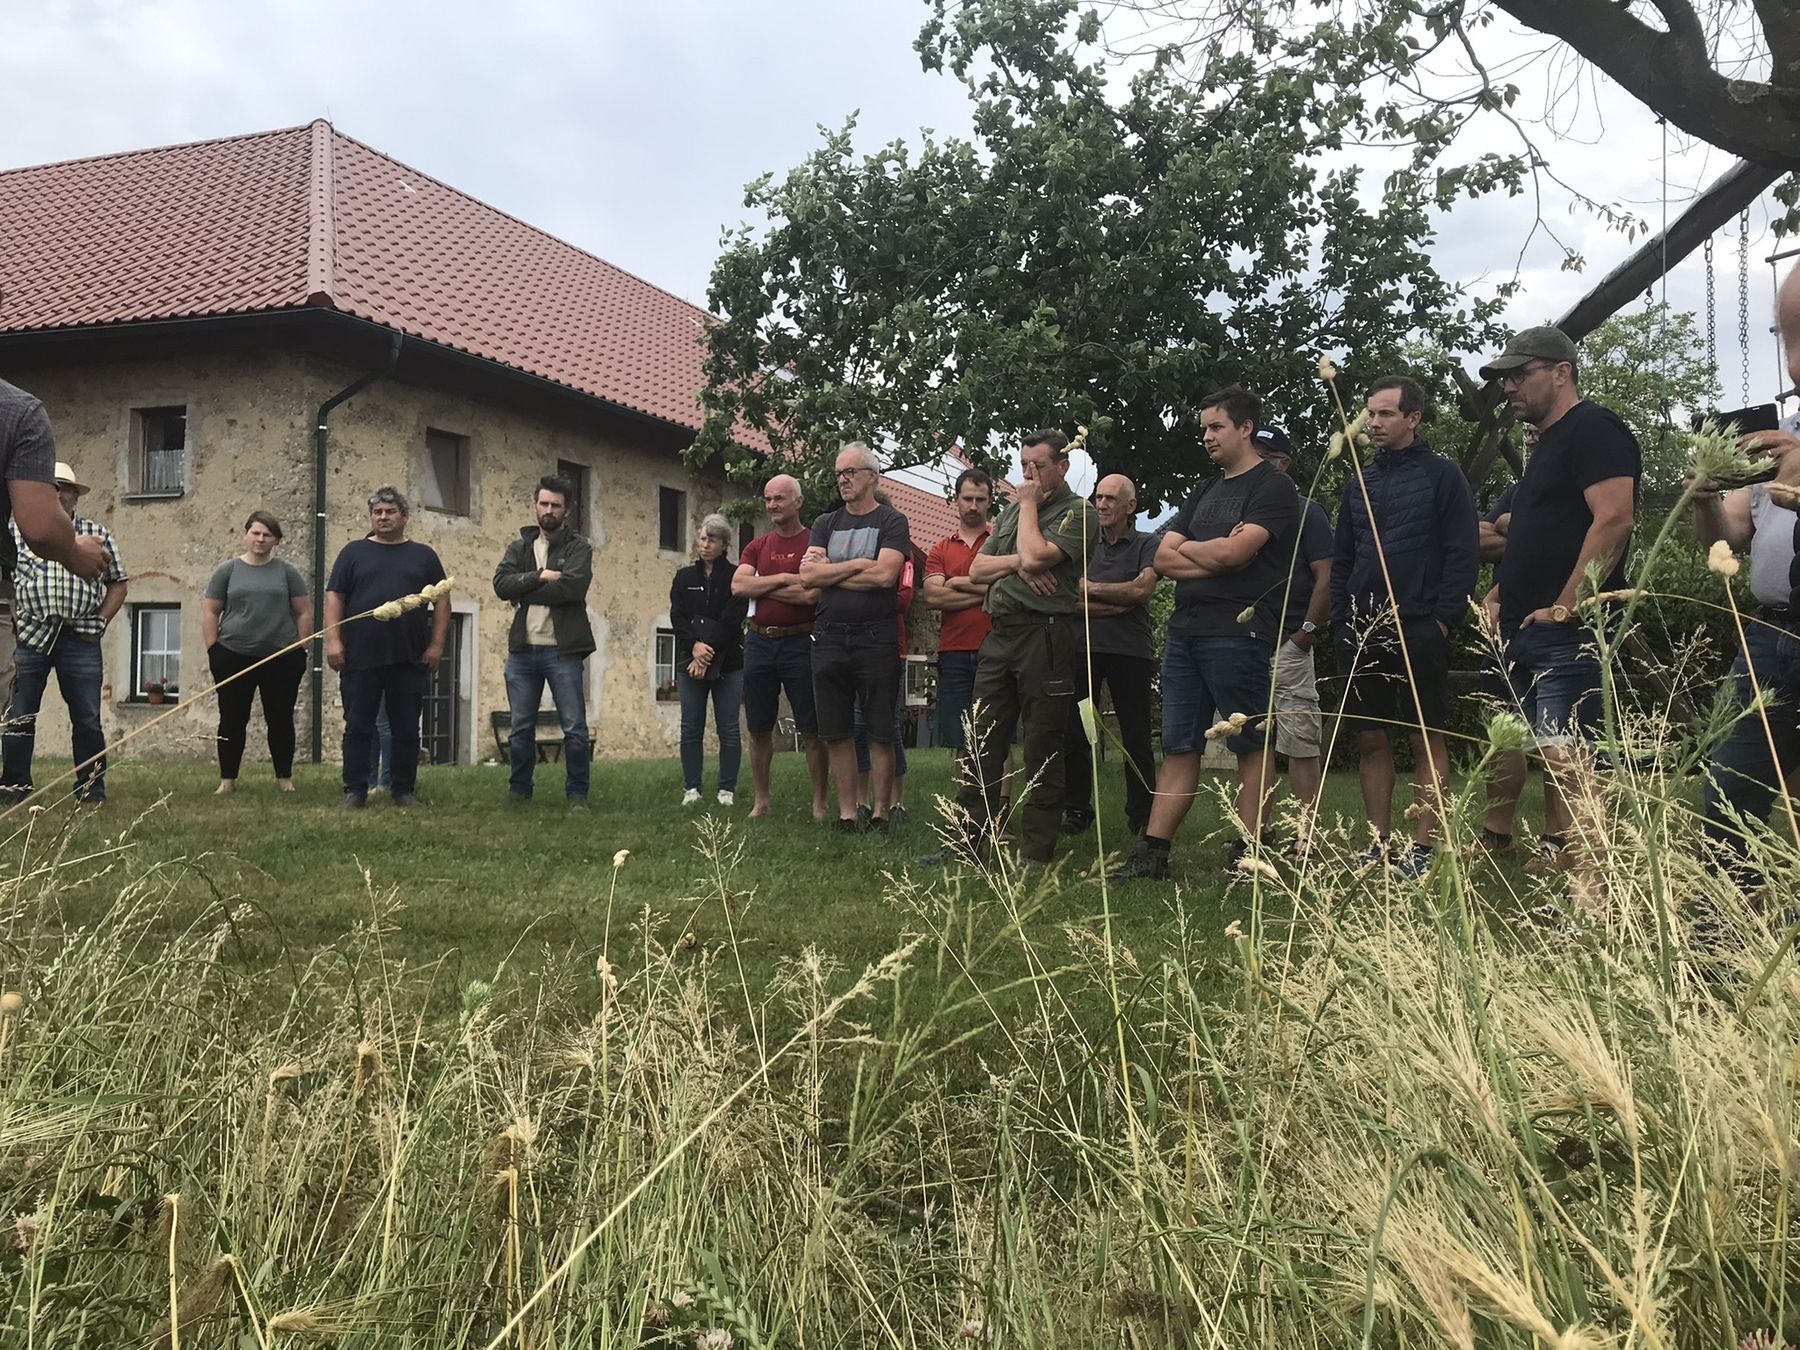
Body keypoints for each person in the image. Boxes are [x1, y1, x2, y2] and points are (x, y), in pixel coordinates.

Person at [1113, 387, 1298, 882]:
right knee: (1177, 746)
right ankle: (1152, 853)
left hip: (1239, 636)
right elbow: (1161, 555)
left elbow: (1235, 557)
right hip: (1185, 633)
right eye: (1204, 429)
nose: (1207, 437)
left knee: (1250, 745)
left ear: (1245, 428)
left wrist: (1205, 552)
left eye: (1216, 427)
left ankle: (1251, 852)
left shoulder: (1272, 488)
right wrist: (1214, 551)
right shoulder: (1204, 490)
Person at [1478, 326, 1640, 872]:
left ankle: (1595, 886)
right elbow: (1534, 533)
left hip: (1567, 627)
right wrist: (1501, 592)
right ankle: (1557, 852)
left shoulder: (1593, 427)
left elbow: (1615, 519)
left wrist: (1569, 605)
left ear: (1561, 372)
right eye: (1505, 378)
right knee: (1522, 745)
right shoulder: (1546, 445)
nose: (1509, 387)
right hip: (1522, 624)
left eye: (1520, 375)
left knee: (1567, 754)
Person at [923, 428, 1098, 868]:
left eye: (1038, 465)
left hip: (1046, 634)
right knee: (980, 739)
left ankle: (1036, 851)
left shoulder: (1078, 513)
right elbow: (980, 568)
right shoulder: (1007, 515)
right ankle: (967, 844)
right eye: (1023, 465)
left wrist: (1026, 512)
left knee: (1042, 741)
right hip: (999, 634)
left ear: (1063, 466)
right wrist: (1021, 564)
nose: (1028, 474)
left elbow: (1041, 555)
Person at [1331, 376, 1479, 876]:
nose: (1374, 423)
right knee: (1371, 738)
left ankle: (1424, 848)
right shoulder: (1358, 480)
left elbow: (1464, 553)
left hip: (1419, 625)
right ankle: (1378, 844)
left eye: (1386, 414)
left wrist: (1442, 620)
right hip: (1361, 629)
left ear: (1413, 418)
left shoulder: (1444, 476)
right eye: (1370, 414)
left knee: (1423, 736)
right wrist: (1340, 619)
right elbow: (1343, 557)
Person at [1694, 271, 1800, 879]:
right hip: (1768, 636)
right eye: (1789, 338)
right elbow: (1727, 541)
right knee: (1731, 795)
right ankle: (1722, 946)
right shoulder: (1781, 444)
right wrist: (1708, 496)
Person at [0, 462, 128, 805]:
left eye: (65, 488)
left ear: (74, 495)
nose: (58, 494)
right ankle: (14, 787)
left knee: (87, 718)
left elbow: (118, 583)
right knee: (18, 714)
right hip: (29, 635)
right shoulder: (14, 534)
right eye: (50, 487)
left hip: (81, 637)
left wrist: (100, 621)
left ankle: (90, 790)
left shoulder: (98, 535)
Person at [800, 442, 911, 832]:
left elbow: (885, 576)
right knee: (836, 730)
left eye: (850, 472)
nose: (842, 480)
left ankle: (880, 812)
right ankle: (848, 814)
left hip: (875, 637)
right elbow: (809, 577)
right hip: (829, 635)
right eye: (838, 474)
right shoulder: (825, 523)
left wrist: (835, 568)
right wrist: (860, 564)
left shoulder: (892, 522)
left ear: (872, 477)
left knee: (881, 728)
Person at [324, 486, 450, 809]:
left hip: (409, 657)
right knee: (358, 727)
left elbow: (442, 600)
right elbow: (334, 597)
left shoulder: (424, 556)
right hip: (358, 656)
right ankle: (355, 790)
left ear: (404, 517)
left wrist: (436, 644)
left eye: (390, 512)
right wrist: (334, 641)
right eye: (377, 512)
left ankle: (403, 790)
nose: (383, 517)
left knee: (407, 728)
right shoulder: (352, 553)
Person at [1063, 472, 1159, 840]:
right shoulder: (1083, 544)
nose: (1101, 505)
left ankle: (1142, 816)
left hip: (1130, 652)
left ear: (1130, 506)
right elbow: (1066, 599)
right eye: (1097, 497)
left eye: (1110, 499)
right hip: (1082, 649)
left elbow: (1140, 591)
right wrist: (1110, 602)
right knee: (1075, 731)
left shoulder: (1148, 543)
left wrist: (1089, 588)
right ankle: (1077, 809)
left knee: (1135, 735)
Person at [493, 474, 594, 809]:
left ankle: (577, 795)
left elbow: (573, 589)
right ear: (535, 505)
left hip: (562, 651)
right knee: (521, 728)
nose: (548, 510)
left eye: (556, 505)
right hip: (522, 651)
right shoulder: (519, 547)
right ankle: (519, 791)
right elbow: (501, 585)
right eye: (543, 503)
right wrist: (538, 576)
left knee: (574, 728)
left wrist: (524, 590)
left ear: (567, 511)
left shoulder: (579, 548)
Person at [1253, 428, 1332, 848]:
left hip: (1289, 640)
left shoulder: (1307, 512)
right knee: (1254, 739)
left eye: (1266, 458)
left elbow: (1327, 577)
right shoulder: (1242, 512)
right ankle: (1257, 831)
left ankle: (1307, 835)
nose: (1258, 464)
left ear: (1284, 464)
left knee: (1300, 737)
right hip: (1247, 640)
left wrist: (1306, 634)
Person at [734, 474, 829, 819]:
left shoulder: (814, 545)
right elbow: (738, 585)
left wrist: (761, 584)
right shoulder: (757, 546)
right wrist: (786, 579)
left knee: (812, 728)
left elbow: (810, 594)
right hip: (759, 641)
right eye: (769, 499)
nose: (772, 505)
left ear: (798, 502)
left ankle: (819, 802)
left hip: (802, 641)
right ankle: (761, 801)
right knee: (758, 727)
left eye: (780, 499)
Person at [202, 511, 312, 794]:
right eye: (256, 533)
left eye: (267, 535)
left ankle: (284, 778)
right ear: (246, 534)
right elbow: (211, 611)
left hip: (280, 656)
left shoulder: (287, 572)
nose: (260, 539)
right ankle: (227, 780)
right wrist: (213, 649)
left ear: (275, 540)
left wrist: (301, 647)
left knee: (280, 717)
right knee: (232, 718)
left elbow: (303, 612)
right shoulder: (227, 571)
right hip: (233, 653)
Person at [1471, 424, 1535, 855]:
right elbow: (1478, 538)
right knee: (1504, 729)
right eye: (1526, 430)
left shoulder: (1583, 481)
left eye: (1539, 429)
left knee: (1560, 739)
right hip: (1509, 621)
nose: (1530, 434)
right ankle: (1497, 835)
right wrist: (1522, 529)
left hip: (1567, 619)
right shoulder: (1520, 488)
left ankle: (1559, 842)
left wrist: (1513, 527)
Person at [671, 513, 747, 807]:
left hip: (729, 664)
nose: (705, 544)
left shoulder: (736, 576)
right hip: (690, 664)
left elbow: (731, 619)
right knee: (691, 727)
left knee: (728, 728)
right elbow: (678, 616)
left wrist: (706, 653)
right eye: (702, 538)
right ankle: (692, 789)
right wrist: (694, 648)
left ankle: (726, 790)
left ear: (724, 543)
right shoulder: (684, 578)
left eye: (712, 539)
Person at [852, 531, 925, 823]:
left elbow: (903, 599)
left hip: (890, 649)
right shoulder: (852, 551)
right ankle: (860, 800)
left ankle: (897, 802)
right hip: (853, 648)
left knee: (888, 726)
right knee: (857, 726)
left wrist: (858, 589)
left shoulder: (901, 554)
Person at [924, 468, 998, 751]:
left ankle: (1000, 797)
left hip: (996, 647)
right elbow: (933, 596)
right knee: (960, 737)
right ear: (955, 500)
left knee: (994, 732)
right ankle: (965, 795)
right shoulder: (940, 549)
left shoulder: (1000, 545)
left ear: (990, 501)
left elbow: (1007, 590)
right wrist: (987, 593)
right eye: (967, 498)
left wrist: (955, 582)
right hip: (953, 650)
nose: (973, 506)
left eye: (980, 499)